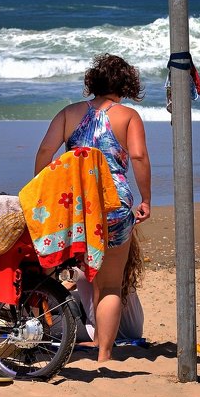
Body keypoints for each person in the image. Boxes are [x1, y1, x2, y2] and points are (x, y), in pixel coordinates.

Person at [33, 53, 152, 363]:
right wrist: (146, 198)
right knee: (110, 283)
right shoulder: (128, 117)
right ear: (127, 84)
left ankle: (92, 337)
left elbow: (46, 151)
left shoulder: (69, 113)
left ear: (93, 82)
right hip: (113, 205)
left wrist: (42, 191)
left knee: (84, 274)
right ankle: (104, 353)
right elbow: (138, 157)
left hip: (75, 207)